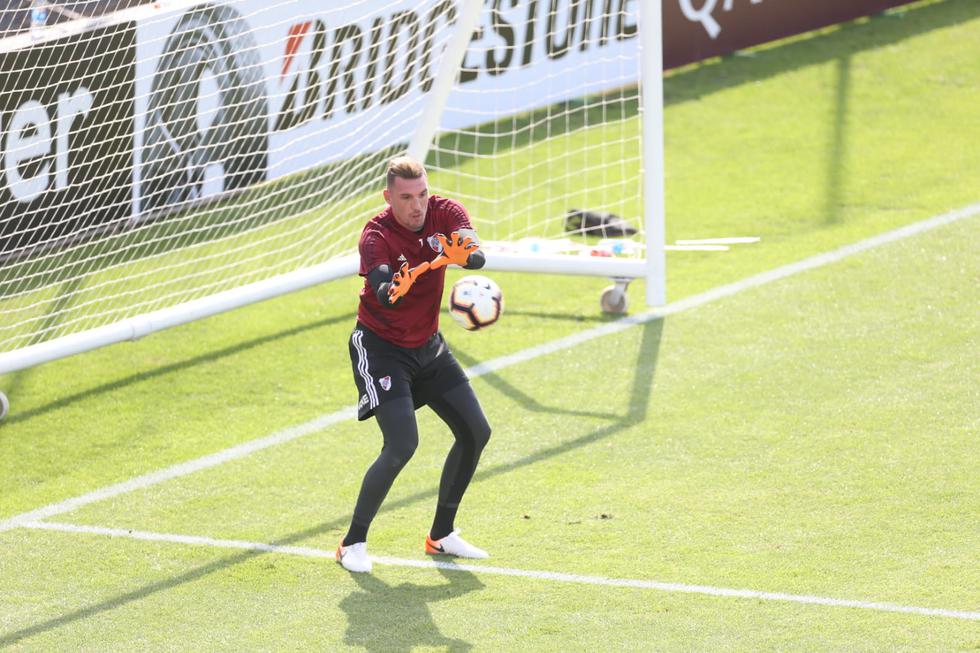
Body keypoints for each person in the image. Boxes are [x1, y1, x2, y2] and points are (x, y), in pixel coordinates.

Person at [336, 155, 492, 573]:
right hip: (382, 349)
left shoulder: (446, 211)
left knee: (476, 431)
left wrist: (457, 255)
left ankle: (441, 536)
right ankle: (352, 543)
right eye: (406, 198)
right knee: (402, 445)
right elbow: (385, 292)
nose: (417, 205)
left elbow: (474, 257)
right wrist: (415, 273)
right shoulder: (375, 236)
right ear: (389, 197)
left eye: (422, 193)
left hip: (428, 347)